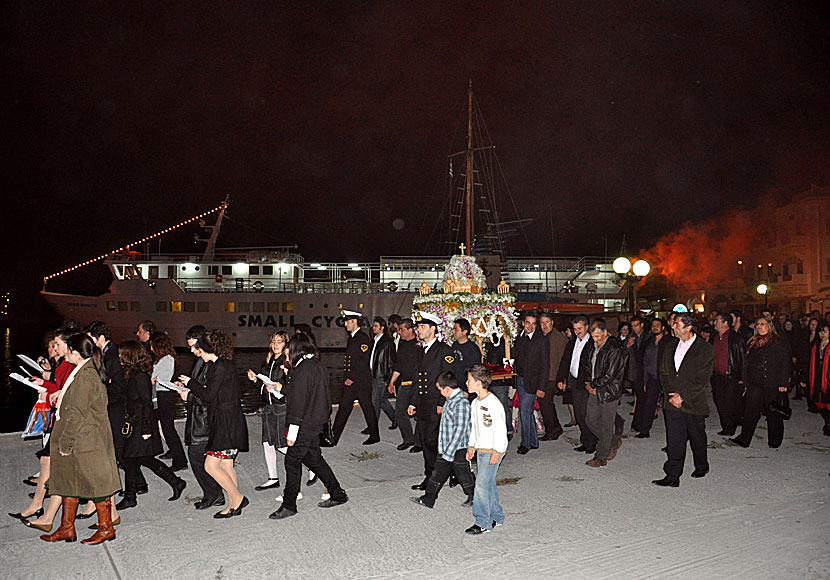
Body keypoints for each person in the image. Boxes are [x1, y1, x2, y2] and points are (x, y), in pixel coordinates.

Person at [41, 334, 121, 544]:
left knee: (96, 485)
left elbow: (77, 413)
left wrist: (65, 442)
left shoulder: (86, 376)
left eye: (67, 349)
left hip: (85, 441)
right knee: (69, 482)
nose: (63, 352)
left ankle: (106, 528)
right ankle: (67, 528)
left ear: (75, 353)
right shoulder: (83, 371)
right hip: (83, 439)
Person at [270, 333, 349, 519]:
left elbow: (299, 402)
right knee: (313, 459)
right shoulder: (316, 365)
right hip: (315, 421)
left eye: (289, 354)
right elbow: (303, 393)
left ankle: (289, 504)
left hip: (305, 423)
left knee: (292, 460)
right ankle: (337, 493)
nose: (287, 357)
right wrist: (284, 384)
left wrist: (293, 430)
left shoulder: (304, 369)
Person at [178, 330, 249, 518]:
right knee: (226, 466)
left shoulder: (219, 368)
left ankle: (238, 498)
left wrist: (191, 384)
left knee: (211, 466)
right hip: (230, 421)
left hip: (225, 424)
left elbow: (209, 396)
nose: (196, 351)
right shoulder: (225, 365)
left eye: (199, 347)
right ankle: (234, 504)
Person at [116, 341, 186, 510]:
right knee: (142, 459)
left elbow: (147, 403)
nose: (119, 357)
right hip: (136, 421)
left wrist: (146, 429)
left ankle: (130, 496)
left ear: (129, 355)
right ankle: (176, 482)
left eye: (121, 353)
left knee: (131, 458)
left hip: (142, 423)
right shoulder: (132, 373)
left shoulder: (140, 376)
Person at [652, 313, 714, 487]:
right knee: (674, 439)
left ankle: (701, 465)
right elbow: (663, 372)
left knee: (697, 436)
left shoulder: (704, 348)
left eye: (677, 324)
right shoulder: (670, 345)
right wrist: (671, 394)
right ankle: (672, 475)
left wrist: (683, 396)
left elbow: (702, 378)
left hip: (693, 401)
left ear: (688, 327)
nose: (673, 327)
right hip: (672, 401)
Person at [411, 371, 475, 508]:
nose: (440, 393)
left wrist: (449, 452)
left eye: (440, 390)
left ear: (447, 388)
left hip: (458, 447)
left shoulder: (461, 403)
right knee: (438, 473)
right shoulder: (451, 400)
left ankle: (474, 496)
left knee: (463, 473)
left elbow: (460, 429)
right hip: (447, 446)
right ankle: (429, 498)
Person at [409, 311, 455, 491]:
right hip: (422, 402)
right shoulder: (420, 350)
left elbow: (450, 378)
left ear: (433, 329)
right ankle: (436, 474)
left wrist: (442, 403)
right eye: (418, 327)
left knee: (432, 440)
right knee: (425, 440)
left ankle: (436, 476)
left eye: (422, 327)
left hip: (436, 402)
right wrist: (412, 402)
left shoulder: (444, 350)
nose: (418, 330)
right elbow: (416, 378)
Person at [729, 317, 791, 449]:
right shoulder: (752, 342)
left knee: (773, 411)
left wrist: (784, 383)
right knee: (750, 411)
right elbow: (747, 363)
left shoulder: (777, 342)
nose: (759, 326)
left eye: (763, 324)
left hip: (771, 382)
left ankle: (775, 439)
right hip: (755, 382)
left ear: (769, 326)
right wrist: (744, 380)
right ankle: (744, 438)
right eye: (757, 324)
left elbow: (785, 363)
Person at [181, 325, 224, 510]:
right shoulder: (202, 362)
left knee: (198, 457)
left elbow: (209, 395)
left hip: (204, 421)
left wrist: (189, 395)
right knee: (203, 459)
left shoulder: (211, 364)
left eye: (193, 346)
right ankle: (215, 493)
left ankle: (214, 494)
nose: (191, 351)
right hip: (199, 419)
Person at [465, 365, 507, 535]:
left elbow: (500, 429)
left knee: (480, 485)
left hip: (492, 450)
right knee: (487, 485)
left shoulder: (493, 403)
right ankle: (497, 516)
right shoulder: (475, 403)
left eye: (469, 380)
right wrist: (471, 445)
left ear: (478, 382)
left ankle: (483, 521)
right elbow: (474, 427)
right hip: (481, 449)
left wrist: (497, 451)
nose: (466, 383)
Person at [247, 331, 290, 491]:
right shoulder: (268, 361)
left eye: (279, 341)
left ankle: (311, 465)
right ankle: (273, 478)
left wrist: (279, 390)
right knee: (267, 442)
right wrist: (255, 380)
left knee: (281, 444)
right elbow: (263, 386)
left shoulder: (287, 362)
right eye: (273, 341)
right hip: (268, 407)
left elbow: (291, 387)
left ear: (286, 344)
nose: (275, 344)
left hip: (281, 407)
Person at [582, 319, 626, 467]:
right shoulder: (593, 346)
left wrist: (594, 384)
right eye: (593, 337)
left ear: (605, 332)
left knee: (607, 424)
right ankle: (613, 440)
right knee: (590, 420)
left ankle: (601, 456)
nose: (595, 340)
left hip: (609, 391)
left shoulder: (614, 348)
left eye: (598, 337)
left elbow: (610, 374)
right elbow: (589, 366)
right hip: (594, 388)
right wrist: (588, 383)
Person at [332, 310, 379, 445]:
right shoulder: (353, 337)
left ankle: (375, 435)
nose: (345, 324)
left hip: (360, 382)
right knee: (344, 408)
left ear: (354, 322)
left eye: (347, 321)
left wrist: (351, 377)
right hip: (352, 381)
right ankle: (334, 437)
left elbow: (363, 361)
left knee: (367, 408)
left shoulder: (362, 338)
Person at [557, 315, 596, 454]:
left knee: (585, 415)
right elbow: (565, 361)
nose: (577, 331)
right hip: (574, 381)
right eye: (575, 329)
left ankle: (592, 443)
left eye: (580, 328)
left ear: (587, 327)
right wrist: (561, 379)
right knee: (579, 415)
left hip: (585, 383)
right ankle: (586, 441)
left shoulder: (593, 342)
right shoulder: (572, 342)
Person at [512, 310, 550, 454]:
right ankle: (533, 441)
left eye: (534, 324)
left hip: (533, 382)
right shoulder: (520, 338)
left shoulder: (541, 340)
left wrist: (541, 387)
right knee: (526, 411)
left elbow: (545, 365)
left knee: (525, 411)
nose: (530, 326)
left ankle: (525, 444)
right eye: (528, 323)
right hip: (520, 379)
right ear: (523, 324)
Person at [150, 332, 187, 471]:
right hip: (161, 395)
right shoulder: (164, 358)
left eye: (153, 345)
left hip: (163, 396)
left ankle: (180, 460)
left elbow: (153, 377)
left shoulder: (166, 359)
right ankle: (173, 451)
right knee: (164, 427)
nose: (151, 348)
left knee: (168, 429)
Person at [708, 313, 746, 437]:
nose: (714, 323)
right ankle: (725, 426)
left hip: (731, 376)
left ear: (725, 323)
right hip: (716, 376)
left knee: (730, 402)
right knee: (719, 401)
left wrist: (742, 378)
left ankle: (730, 427)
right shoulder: (713, 338)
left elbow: (743, 359)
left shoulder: (736, 339)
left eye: (717, 320)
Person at [635, 318, 673, 438]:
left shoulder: (669, 342)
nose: (655, 327)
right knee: (649, 404)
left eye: (657, 325)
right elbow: (645, 362)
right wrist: (645, 380)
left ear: (663, 328)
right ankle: (645, 430)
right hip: (652, 378)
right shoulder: (649, 342)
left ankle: (673, 435)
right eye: (653, 325)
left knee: (670, 408)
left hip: (667, 378)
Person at [387, 318, 420, 451]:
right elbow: (399, 365)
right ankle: (408, 439)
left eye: (402, 329)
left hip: (417, 385)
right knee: (399, 413)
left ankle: (419, 443)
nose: (399, 332)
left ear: (410, 329)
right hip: (405, 384)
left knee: (419, 415)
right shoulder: (402, 343)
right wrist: (392, 382)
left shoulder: (419, 345)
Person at [539, 312, 568, 441]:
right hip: (542, 376)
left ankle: (553, 430)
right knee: (546, 404)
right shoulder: (541, 336)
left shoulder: (558, 338)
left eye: (547, 322)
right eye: (542, 322)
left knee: (546, 403)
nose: (544, 325)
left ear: (552, 323)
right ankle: (554, 427)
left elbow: (564, 359)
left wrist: (562, 378)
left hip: (552, 375)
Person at [369, 317, 397, 430]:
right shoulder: (374, 339)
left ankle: (373, 427)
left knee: (374, 402)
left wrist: (388, 379)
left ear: (382, 328)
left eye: (376, 326)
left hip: (380, 376)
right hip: (373, 374)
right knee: (381, 400)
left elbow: (391, 362)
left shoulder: (387, 342)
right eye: (373, 326)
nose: (373, 328)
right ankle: (396, 419)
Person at [806, 322, 830, 435]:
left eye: (825, 331)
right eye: (821, 331)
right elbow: (809, 362)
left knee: (828, 402)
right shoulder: (815, 346)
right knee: (819, 403)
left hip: (828, 379)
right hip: (817, 377)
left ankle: (828, 423)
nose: (823, 334)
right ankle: (828, 420)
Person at [450, 318, 483, 390]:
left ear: (465, 331)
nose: (453, 331)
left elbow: (474, 372)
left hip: (466, 388)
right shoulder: (454, 345)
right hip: (454, 387)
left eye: (456, 329)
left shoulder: (473, 349)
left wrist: (466, 390)